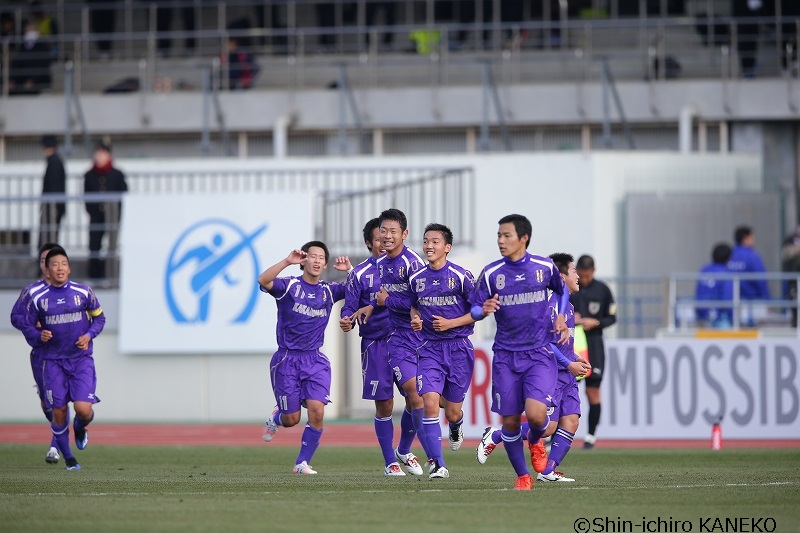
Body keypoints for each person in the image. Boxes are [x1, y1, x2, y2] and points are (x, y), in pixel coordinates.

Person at [468, 214, 570, 490]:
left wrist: (561, 316)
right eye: (499, 236)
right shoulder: (492, 273)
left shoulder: (544, 266)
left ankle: (535, 439)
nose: (501, 241)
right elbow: (475, 309)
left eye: (507, 235)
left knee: (537, 416)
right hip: (505, 357)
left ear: (524, 238)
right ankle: (523, 476)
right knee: (511, 421)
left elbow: (562, 292)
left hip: (538, 354)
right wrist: (483, 310)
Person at [259, 241, 350, 475]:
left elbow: (360, 287)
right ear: (304, 261)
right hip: (286, 359)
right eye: (313, 256)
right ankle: (277, 417)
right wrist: (286, 262)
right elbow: (263, 280)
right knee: (291, 419)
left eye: (322, 257)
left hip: (315, 361)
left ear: (325, 263)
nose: (317, 260)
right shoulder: (289, 286)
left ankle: (302, 463)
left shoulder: (329, 290)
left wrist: (350, 271)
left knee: (317, 411)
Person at [17, 247, 106, 471]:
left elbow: (99, 318)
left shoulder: (84, 292)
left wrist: (89, 335)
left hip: (80, 360)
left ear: (69, 267)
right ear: (47, 269)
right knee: (58, 410)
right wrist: (38, 335)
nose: (60, 268)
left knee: (83, 409)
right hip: (52, 361)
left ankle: (81, 427)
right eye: (54, 264)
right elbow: (22, 321)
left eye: (63, 264)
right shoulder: (37, 296)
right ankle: (69, 459)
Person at [408, 223, 477, 479]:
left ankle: (456, 424)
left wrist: (451, 323)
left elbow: (477, 312)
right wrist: (415, 318)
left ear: (447, 247)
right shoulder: (416, 279)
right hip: (429, 348)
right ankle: (438, 463)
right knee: (429, 403)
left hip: (459, 348)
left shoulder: (461, 276)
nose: (429, 246)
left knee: (452, 411)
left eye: (435, 241)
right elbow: (413, 307)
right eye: (426, 241)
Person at [339, 218, 405, 476]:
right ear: (369, 243)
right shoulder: (359, 274)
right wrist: (346, 319)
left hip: (405, 340)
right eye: (379, 237)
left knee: (417, 396)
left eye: (389, 235)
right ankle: (390, 461)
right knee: (385, 404)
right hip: (375, 344)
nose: (385, 241)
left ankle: (406, 448)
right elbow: (349, 305)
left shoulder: (405, 268)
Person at [374, 208, 428, 476]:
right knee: (414, 394)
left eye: (392, 231)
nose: (387, 236)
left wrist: (388, 301)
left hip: (423, 338)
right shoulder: (381, 264)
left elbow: (421, 301)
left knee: (419, 401)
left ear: (404, 234)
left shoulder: (413, 264)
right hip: (398, 339)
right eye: (383, 230)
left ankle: (404, 450)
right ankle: (431, 453)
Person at [9, 242, 69, 465]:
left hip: (66, 354)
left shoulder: (72, 290)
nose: (49, 265)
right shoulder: (32, 292)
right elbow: (16, 317)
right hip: (41, 354)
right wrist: (33, 330)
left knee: (60, 400)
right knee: (47, 401)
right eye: (45, 260)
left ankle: (56, 445)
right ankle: (60, 431)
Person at [570, 254, 616, 450]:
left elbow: (612, 318)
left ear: (593, 271)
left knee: (593, 391)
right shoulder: (571, 288)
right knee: (567, 388)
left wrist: (595, 322)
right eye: (582, 275)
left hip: (594, 344)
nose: (585, 279)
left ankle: (590, 436)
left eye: (588, 276)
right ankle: (556, 435)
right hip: (573, 345)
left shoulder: (602, 289)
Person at [84, 142, 128, 280]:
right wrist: (92, 211)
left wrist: (118, 214)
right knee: (94, 245)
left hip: (113, 217)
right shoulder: (89, 175)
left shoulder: (117, 174)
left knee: (112, 247)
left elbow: (124, 194)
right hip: (96, 216)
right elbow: (86, 196)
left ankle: (111, 275)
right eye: (98, 153)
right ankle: (95, 276)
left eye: (103, 153)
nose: (99, 156)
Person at [727, 225, 770, 327]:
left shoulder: (729, 255)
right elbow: (761, 279)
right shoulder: (752, 256)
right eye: (752, 237)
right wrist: (767, 300)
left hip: (732, 304)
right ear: (746, 238)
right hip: (752, 303)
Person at [8, 20, 52, 95]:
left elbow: (43, 65)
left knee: (30, 90)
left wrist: (33, 80)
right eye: (29, 30)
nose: (31, 32)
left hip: (39, 79)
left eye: (33, 30)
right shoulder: (23, 45)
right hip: (23, 78)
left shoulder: (42, 45)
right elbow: (17, 62)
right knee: (12, 90)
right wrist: (12, 79)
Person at [695, 243, 734, 328]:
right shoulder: (725, 274)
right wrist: (733, 319)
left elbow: (698, 293)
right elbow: (727, 301)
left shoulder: (704, 270)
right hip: (719, 320)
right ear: (728, 258)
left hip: (702, 317)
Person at [38, 135, 66, 251]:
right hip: (53, 208)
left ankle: (44, 267)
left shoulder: (54, 163)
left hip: (52, 209)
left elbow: (53, 187)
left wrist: (52, 208)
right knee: (48, 240)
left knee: (47, 240)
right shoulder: (56, 161)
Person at [780, 226, 800, 327]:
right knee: (793, 299)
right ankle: (795, 321)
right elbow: (786, 254)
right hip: (793, 279)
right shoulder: (790, 241)